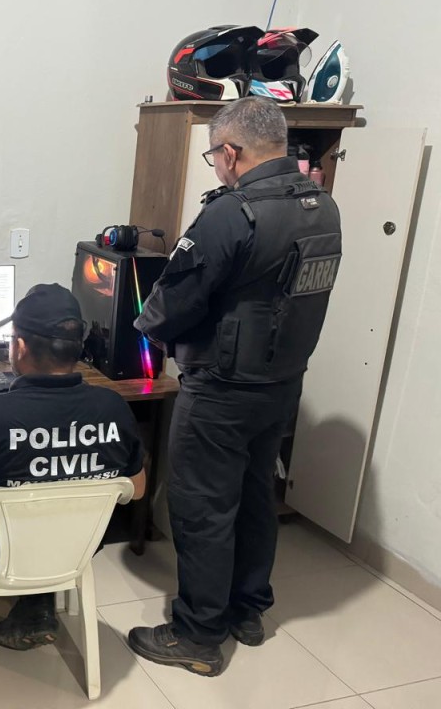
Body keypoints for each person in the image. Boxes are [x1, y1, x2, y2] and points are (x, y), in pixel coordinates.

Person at [129, 96, 342, 676]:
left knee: (203, 508)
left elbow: (171, 303)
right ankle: (247, 610)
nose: (217, 168)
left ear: (230, 152)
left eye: (214, 157)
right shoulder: (321, 205)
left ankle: (198, 635)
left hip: (221, 390)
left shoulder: (232, 213)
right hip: (282, 384)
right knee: (254, 497)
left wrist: (147, 330)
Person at [0, 283, 147, 650]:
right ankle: (38, 604)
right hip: (77, 547)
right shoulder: (114, 408)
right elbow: (136, 490)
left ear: (21, 347)